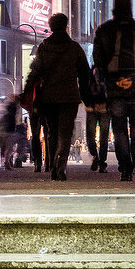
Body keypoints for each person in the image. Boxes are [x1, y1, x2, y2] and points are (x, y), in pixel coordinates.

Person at [20, 13, 93, 181]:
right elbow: (84, 73)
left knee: (51, 133)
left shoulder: (44, 47)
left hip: (49, 97)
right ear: (66, 26)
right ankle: (60, 167)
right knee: (66, 134)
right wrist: (86, 95)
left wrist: (26, 92)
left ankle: (53, 166)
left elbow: (35, 72)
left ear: (51, 27)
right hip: (69, 97)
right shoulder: (74, 47)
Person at [93, 0, 135, 182]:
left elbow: (98, 59)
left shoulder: (104, 30)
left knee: (119, 127)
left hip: (114, 85)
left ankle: (125, 169)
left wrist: (106, 78)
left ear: (114, 7)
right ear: (130, 7)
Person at [86, 66, 110, 173]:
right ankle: (99, 160)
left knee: (94, 135)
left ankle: (97, 158)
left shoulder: (93, 73)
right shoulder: (94, 73)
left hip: (99, 108)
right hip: (96, 107)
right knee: (101, 136)